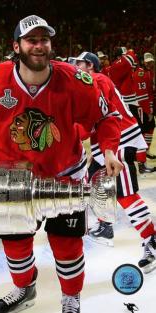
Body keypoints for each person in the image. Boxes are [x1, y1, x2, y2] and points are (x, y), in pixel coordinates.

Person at [0, 15, 122, 313]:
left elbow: (106, 117)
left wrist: (110, 151)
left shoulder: (76, 80)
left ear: (51, 45)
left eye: (44, 40)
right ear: (17, 46)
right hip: (13, 181)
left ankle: (71, 297)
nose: (39, 46)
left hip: (65, 176)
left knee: (67, 245)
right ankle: (25, 288)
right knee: (16, 243)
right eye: (31, 40)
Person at [70, 51, 156, 274]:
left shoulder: (97, 80)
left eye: (78, 63)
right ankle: (105, 226)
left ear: (89, 65)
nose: (75, 68)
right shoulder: (94, 81)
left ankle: (152, 240)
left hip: (120, 138)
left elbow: (89, 123)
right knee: (92, 181)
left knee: (125, 194)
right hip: (107, 143)